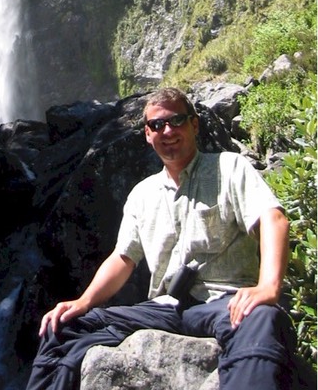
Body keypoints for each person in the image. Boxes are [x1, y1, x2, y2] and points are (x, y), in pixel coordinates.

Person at [26, 86, 297, 390]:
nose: (167, 131)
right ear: (147, 134)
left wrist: (267, 287)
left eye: (176, 121)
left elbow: (272, 219)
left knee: (262, 319)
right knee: (62, 329)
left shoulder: (230, 168)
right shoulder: (142, 194)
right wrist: (85, 301)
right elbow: (123, 258)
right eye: (157, 125)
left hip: (224, 301)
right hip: (164, 308)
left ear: (194, 124)